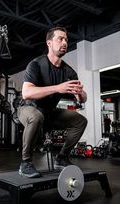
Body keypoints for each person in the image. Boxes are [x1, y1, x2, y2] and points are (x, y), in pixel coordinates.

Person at [18, 27, 87, 178]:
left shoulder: (69, 72)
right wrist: (57, 88)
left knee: (80, 121)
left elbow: (82, 99)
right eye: (60, 39)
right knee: (36, 117)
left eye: (66, 40)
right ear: (49, 43)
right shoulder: (36, 64)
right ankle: (25, 163)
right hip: (29, 108)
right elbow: (27, 93)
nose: (64, 43)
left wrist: (80, 92)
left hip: (49, 112)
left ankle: (61, 158)